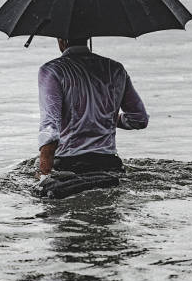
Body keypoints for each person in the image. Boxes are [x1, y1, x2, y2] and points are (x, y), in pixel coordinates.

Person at [36, 37, 149, 179]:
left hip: (69, 166)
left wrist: (43, 175)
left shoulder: (52, 70)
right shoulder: (115, 69)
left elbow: (50, 130)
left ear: (62, 40)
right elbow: (139, 119)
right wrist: (104, 117)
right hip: (110, 165)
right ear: (88, 37)